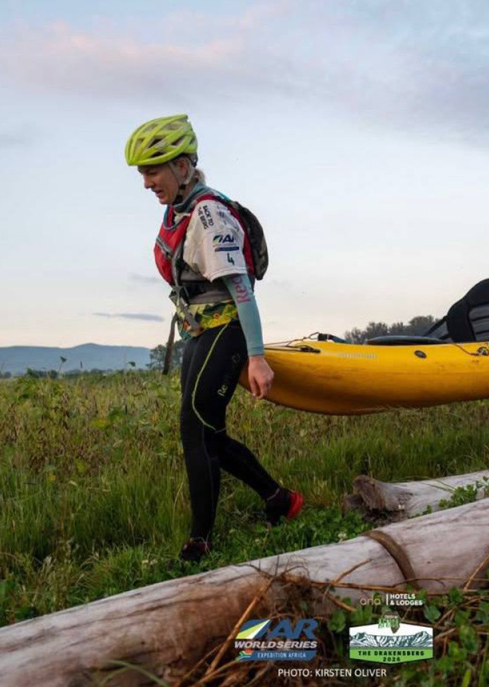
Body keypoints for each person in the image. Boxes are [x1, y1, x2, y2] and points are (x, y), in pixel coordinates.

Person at [125, 114, 303, 562]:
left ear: (183, 167)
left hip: (228, 328)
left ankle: (200, 539)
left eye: (153, 171)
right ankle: (280, 499)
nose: (146, 183)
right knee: (205, 430)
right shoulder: (178, 209)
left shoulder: (209, 214)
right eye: (142, 173)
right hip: (201, 332)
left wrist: (257, 357)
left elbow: (242, 290)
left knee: (195, 428)